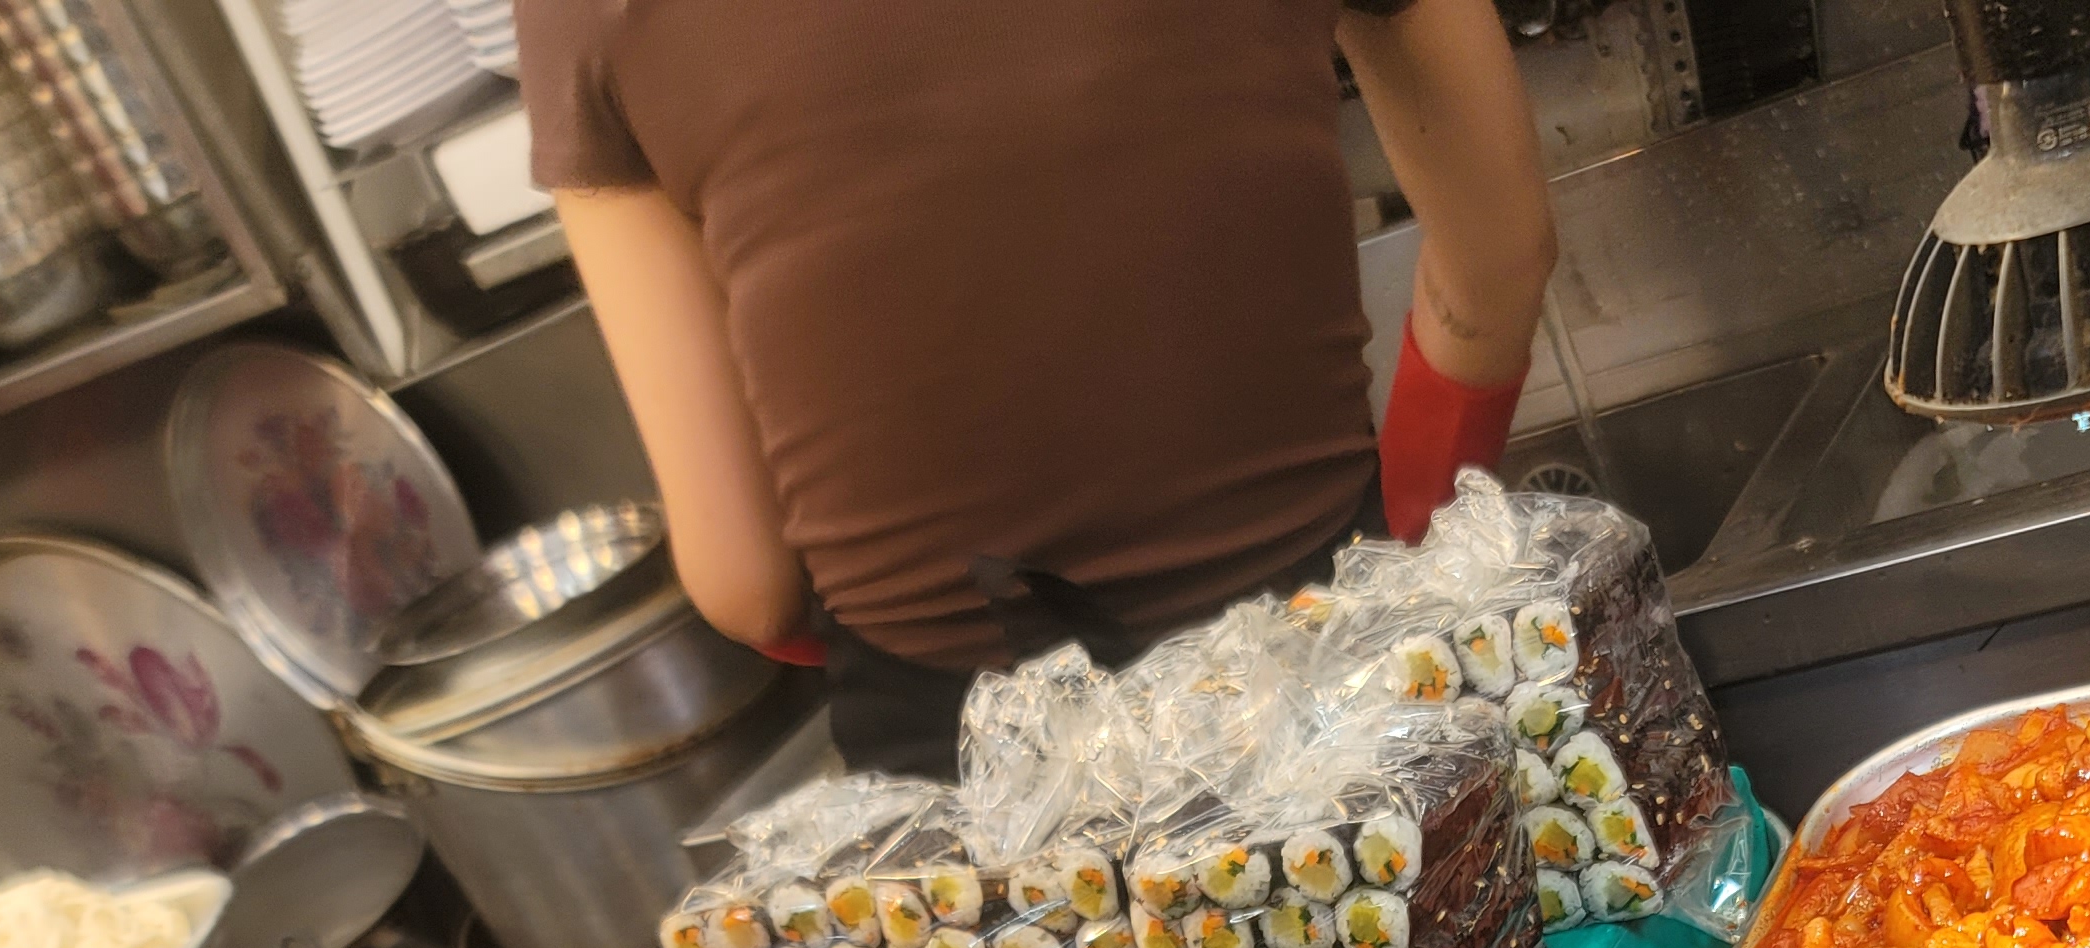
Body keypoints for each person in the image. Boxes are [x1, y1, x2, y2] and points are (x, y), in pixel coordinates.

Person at [521, 1, 1558, 771]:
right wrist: (1408, 547)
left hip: (968, 771)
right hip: (1335, 658)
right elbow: (1501, 260)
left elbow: (746, 582)